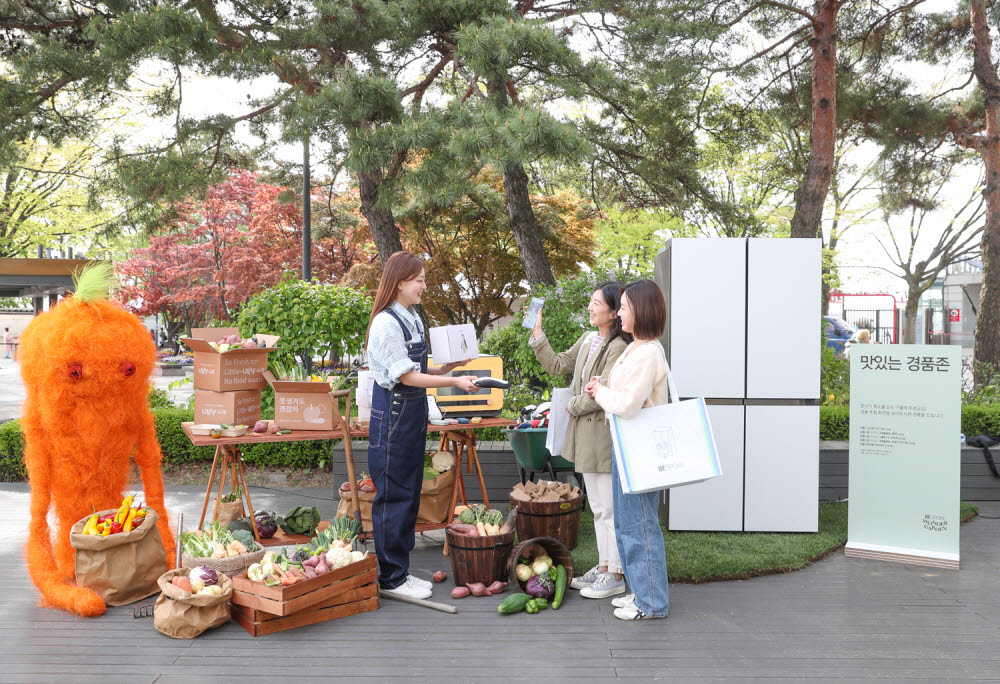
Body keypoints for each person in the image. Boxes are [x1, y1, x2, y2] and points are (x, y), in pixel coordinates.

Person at [364, 251, 479, 600]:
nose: (424, 287)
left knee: (410, 492)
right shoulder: (386, 323)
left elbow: (420, 370)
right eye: (420, 280)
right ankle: (391, 578)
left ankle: (399, 572)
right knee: (394, 497)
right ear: (400, 282)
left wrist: (450, 369)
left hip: (410, 414)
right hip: (394, 415)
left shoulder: (411, 317)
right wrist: (456, 383)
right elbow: (406, 376)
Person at [529, 282, 631, 599]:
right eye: (591, 301)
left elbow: (607, 391)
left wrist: (572, 405)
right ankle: (604, 567)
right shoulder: (588, 339)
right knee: (598, 507)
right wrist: (537, 334)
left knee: (607, 508)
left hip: (602, 435)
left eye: (596, 302)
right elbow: (558, 365)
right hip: (585, 435)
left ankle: (615, 572)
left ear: (614, 312)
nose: (590, 306)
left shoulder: (618, 348)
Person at [585, 279, 670, 621]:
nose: (619, 314)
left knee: (640, 527)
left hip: (638, 448)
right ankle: (641, 592)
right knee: (627, 524)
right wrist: (605, 390)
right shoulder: (637, 347)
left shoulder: (648, 352)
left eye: (624, 308)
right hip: (627, 445)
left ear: (642, 311)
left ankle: (651, 604)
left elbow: (629, 405)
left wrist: (599, 393)